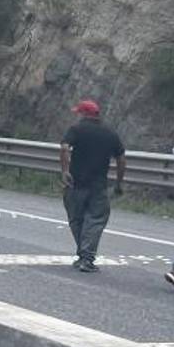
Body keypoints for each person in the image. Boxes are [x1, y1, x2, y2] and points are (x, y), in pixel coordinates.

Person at [59, 100, 124, 273]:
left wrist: (65, 170)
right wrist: (118, 182)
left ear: (84, 114)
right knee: (95, 221)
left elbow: (65, 147)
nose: (77, 116)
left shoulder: (76, 129)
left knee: (76, 219)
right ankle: (86, 258)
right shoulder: (110, 133)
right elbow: (121, 158)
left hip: (75, 183)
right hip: (98, 186)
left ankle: (84, 256)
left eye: (78, 113)